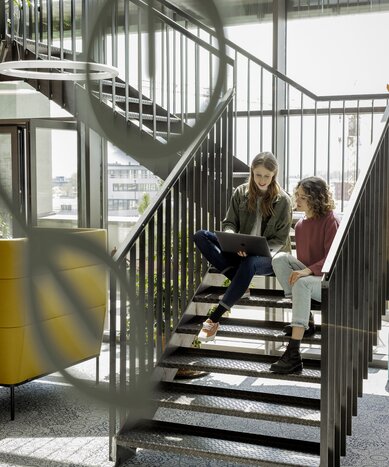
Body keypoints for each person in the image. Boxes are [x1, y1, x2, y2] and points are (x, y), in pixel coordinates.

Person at [193, 152, 292, 342]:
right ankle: (239, 282)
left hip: (269, 257)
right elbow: (229, 223)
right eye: (258, 174)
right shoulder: (240, 192)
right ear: (252, 172)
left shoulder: (283, 201)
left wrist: (253, 250)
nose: (262, 180)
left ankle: (214, 319)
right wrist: (232, 240)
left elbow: (279, 240)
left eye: (267, 176)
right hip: (241, 251)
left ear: (274, 175)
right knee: (201, 236)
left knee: (250, 261)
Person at [270, 176, 340, 374]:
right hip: (311, 278)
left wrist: (306, 271)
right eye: (297, 195)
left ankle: (293, 354)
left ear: (316, 198)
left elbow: (331, 260)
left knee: (302, 282)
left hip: (329, 281)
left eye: (303, 197)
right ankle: (306, 320)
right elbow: (303, 263)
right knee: (280, 259)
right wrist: (305, 272)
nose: (297, 200)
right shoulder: (300, 226)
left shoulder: (330, 220)